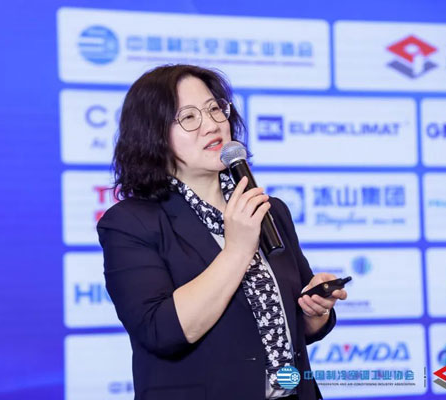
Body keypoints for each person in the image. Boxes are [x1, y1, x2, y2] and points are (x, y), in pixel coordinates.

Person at [97, 64, 347, 400]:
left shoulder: (268, 209)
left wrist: (315, 311)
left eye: (215, 109)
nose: (212, 124)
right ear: (153, 134)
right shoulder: (130, 223)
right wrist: (237, 250)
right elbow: (161, 332)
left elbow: (289, 327)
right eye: (189, 117)